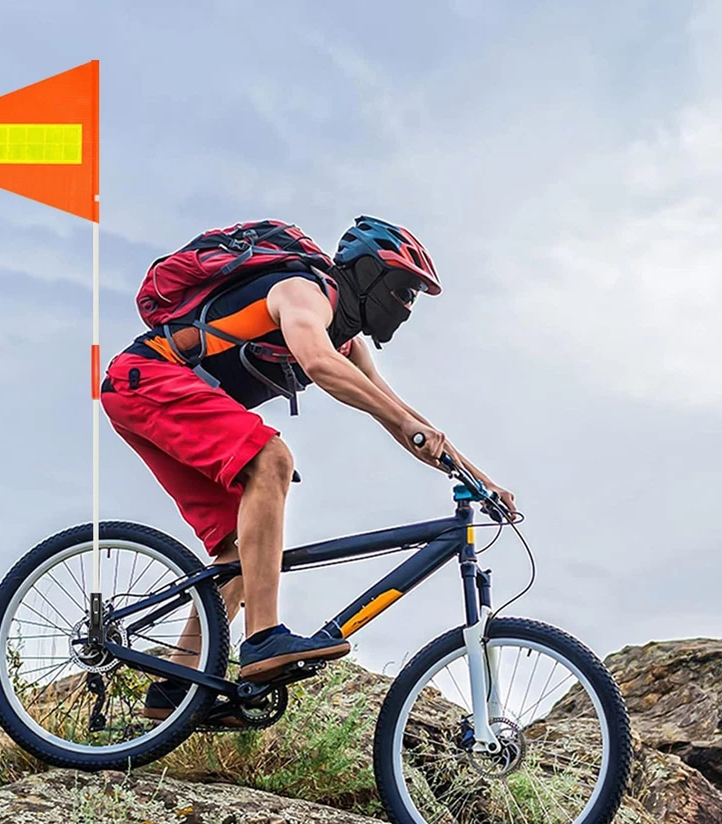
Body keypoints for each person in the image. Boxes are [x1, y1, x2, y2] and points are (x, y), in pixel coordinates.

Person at [100, 215, 517, 720]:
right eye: (404, 290)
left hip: (157, 394)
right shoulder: (304, 290)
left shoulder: (349, 343)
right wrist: (409, 427)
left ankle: (176, 689)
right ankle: (263, 639)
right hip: (146, 379)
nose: (407, 307)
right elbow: (317, 362)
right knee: (270, 458)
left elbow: (401, 415)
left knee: (240, 546)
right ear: (368, 275)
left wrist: (480, 479)